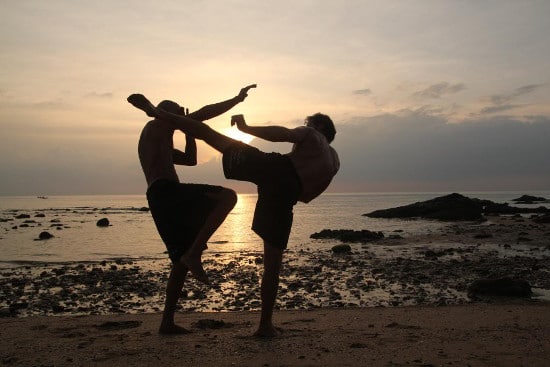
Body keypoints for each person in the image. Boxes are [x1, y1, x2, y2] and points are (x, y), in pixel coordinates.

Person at [128, 91, 340, 337]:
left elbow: (283, 134)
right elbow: (308, 194)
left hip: (276, 171)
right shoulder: (333, 160)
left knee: (214, 139)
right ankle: (265, 326)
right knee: (273, 262)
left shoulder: (312, 133)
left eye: (308, 123)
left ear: (318, 126)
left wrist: (244, 126)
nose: (304, 128)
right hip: (287, 194)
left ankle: (192, 260)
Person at [137, 84, 256, 334]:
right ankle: (195, 252)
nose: (182, 119)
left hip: (158, 198)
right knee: (227, 197)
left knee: (178, 263)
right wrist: (236, 99)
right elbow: (205, 113)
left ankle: (167, 322)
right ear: (166, 113)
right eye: (179, 114)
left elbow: (191, 159)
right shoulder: (159, 123)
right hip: (167, 191)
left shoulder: (155, 138)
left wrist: (188, 132)